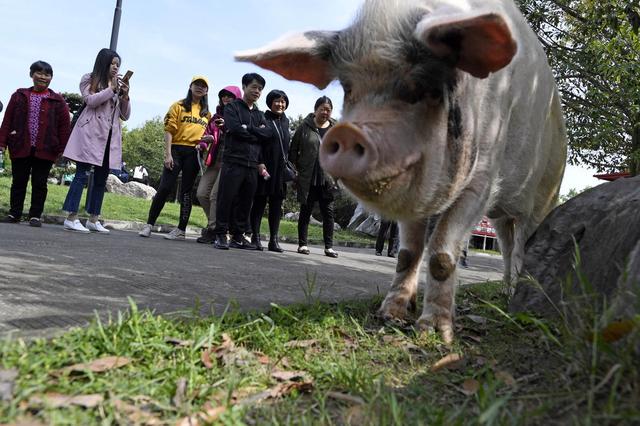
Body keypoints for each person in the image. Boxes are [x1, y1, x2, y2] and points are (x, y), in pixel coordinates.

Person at [62, 48, 131, 234]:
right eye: (113, 63)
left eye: (118, 64)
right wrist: (112, 89)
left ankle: (93, 218)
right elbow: (90, 101)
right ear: (103, 62)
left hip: (109, 137)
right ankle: (71, 217)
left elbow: (125, 115)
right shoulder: (90, 78)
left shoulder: (118, 85)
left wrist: (125, 95)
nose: (116, 67)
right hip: (90, 134)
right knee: (81, 175)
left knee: (101, 179)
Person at [139, 76, 211, 240]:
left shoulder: (207, 113)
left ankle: (181, 229)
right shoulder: (178, 106)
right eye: (197, 84)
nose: (200, 88)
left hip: (194, 152)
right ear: (190, 86)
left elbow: (209, 135)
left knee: (186, 191)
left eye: (203, 86)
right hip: (176, 150)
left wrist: (206, 142)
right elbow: (169, 130)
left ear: (207, 91)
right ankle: (149, 224)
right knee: (165, 187)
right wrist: (168, 154)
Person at [0, 60, 71, 226]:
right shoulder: (19, 96)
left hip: (47, 148)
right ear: (31, 75)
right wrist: (2, 142)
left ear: (51, 78)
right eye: (39, 73)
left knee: (40, 182)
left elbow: (64, 127)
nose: (43, 77)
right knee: (19, 181)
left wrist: (63, 149)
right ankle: (14, 214)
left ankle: (35, 215)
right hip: (20, 145)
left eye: (47, 74)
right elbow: (7, 120)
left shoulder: (58, 101)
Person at [213, 73, 271, 250]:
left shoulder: (260, 114)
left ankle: (238, 236)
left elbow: (267, 134)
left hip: (252, 164)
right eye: (254, 87)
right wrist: (256, 134)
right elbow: (235, 129)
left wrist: (250, 129)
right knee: (226, 198)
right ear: (244, 87)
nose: (257, 91)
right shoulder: (232, 108)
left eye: (260, 88)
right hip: (233, 161)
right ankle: (220, 234)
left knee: (246, 201)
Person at [289, 96, 339, 258]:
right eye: (322, 109)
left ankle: (329, 247)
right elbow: (292, 151)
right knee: (305, 211)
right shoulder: (304, 127)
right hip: (308, 177)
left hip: (328, 179)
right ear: (315, 109)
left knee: (328, 213)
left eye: (328, 110)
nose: (325, 112)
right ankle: (302, 244)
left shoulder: (336, 129)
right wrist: (296, 170)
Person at [196, 85, 242, 244]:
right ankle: (218, 225)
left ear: (237, 99)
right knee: (201, 194)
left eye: (230, 96)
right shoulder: (215, 117)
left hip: (229, 163)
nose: (226, 99)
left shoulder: (239, 117)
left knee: (215, 196)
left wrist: (226, 128)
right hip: (214, 161)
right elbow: (206, 134)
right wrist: (202, 144)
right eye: (224, 96)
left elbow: (241, 137)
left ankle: (213, 229)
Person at [249, 89, 291, 252]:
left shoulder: (286, 121)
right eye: (277, 101)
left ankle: (274, 240)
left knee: (276, 205)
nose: (280, 104)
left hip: (280, 171)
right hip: (265, 168)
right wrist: (259, 162)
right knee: (259, 202)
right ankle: (255, 238)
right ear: (270, 103)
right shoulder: (263, 118)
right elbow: (257, 142)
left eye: (283, 101)